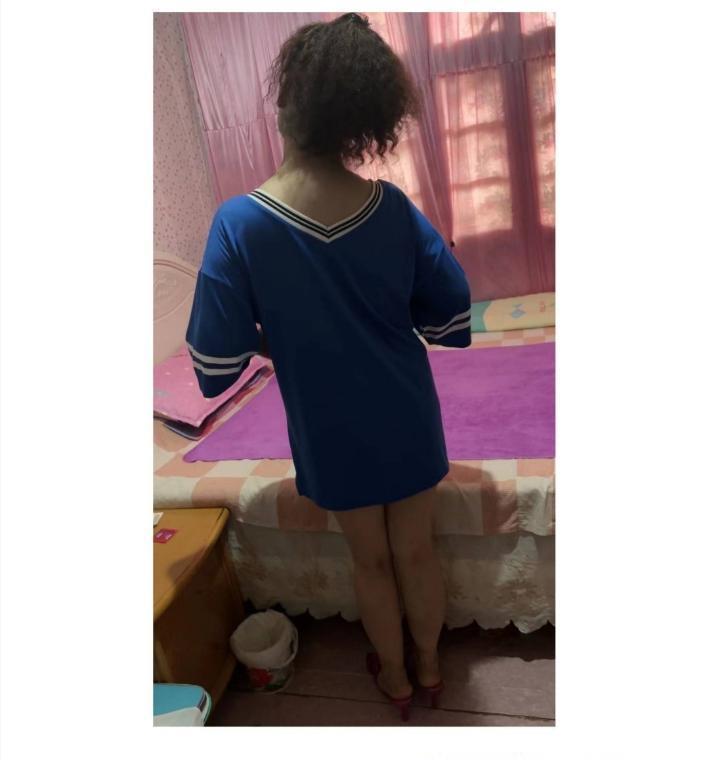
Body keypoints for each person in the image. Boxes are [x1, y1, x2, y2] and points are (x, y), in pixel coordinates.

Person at [185, 12, 471, 721]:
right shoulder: (392, 207)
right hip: (406, 410)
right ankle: (431, 668)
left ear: (286, 103)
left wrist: (278, 338)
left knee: (369, 561)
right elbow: (450, 307)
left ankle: (395, 680)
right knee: (416, 553)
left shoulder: (239, 222)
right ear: (357, 118)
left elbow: (214, 358)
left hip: (328, 425)